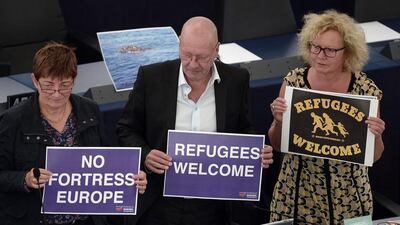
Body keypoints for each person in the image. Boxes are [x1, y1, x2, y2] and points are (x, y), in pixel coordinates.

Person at [117, 16, 274, 225]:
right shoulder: (151, 77)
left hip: (214, 204)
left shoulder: (236, 80)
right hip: (160, 201)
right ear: (179, 44)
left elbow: (243, 127)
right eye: (187, 55)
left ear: (217, 50)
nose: (192, 64)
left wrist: (257, 149)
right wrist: (146, 155)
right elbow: (125, 130)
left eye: (202, 57)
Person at [0, 42, 147, 225]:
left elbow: (105, 162)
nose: (56, 93)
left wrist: (130, 177)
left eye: (64, 85)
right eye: (48, 85)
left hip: (85, 219)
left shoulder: (89, 110)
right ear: (35, 80)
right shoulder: (12, 120)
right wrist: (25, 179)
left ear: (74, 80)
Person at [268, 10, 385, 224]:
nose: (320, 56)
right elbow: (277, 144)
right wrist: (278, 121)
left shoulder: (365, 90)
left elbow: (374, 155)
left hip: (350, 199)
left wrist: (376, 135)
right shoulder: (294, 82)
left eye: (330, 50)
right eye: (316, 47)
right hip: (296, 197)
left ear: (347, 52)